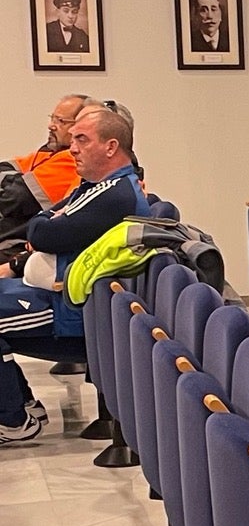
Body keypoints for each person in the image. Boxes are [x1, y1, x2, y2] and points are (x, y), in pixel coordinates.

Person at [0, 107, 147, 443]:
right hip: (59, 297)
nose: (72, 148)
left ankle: (14, 420)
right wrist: (47, 223)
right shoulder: (96, 186)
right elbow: (45, 222)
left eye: (82, 139)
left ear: (111, 147)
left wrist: (47, 224)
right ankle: (21, 406)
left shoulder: (115, 195)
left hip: (72, 313)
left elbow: (42, 234)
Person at [1, 94, 90, 267]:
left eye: (61, 121)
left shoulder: (70, 159)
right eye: (53, 118)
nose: (51, 126)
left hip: (18, 248)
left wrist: (17, 180)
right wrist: (17, 179)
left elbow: (14, 199)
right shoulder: (47, 153)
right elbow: (4, 167)